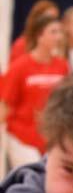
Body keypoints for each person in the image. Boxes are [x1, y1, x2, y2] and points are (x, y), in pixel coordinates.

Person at [0, 15, 68, 167]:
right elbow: (5, 105)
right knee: (33, 174)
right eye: (53, 32)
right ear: (39, 36)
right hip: (22, 137)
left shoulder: (63, 66)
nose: (58, 37)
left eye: (60, 32)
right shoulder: (19, 66)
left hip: (51, 137)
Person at [7, 0, 59, 66]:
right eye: (47, 19)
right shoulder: (21, 45)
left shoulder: (59, 45)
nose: (52, 23)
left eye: (55, 19)